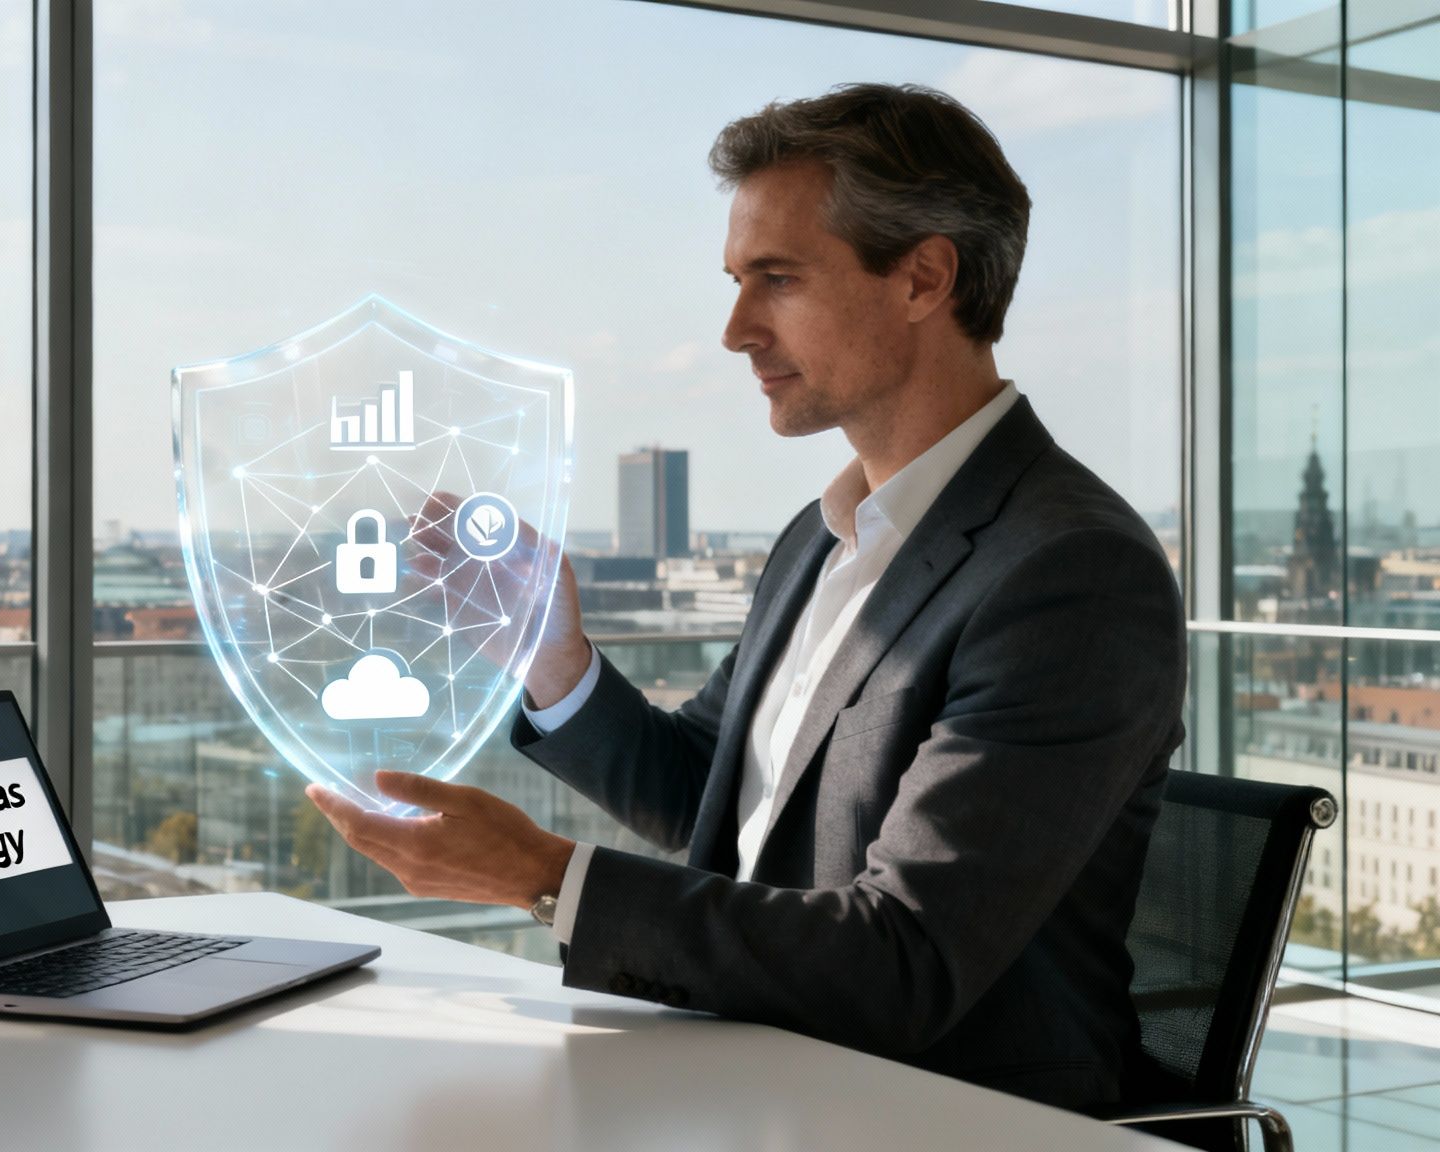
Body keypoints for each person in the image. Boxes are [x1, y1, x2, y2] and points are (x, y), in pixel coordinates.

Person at [305, 82, 1186, 1111]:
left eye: (774, 279)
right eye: (735, 280)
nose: (732, 329)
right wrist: (552, 655)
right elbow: (702, 795)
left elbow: (907, 960)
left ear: (923, 277)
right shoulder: (821, 539)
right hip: (767, 1073)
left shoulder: (1067, 574)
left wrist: (544, 876)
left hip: (948, 1116)